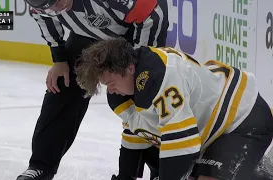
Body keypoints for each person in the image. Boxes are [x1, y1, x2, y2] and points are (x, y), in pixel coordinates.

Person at [74, 37, 273, 180]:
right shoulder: (123, 91)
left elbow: (182, 144)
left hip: (244, 119)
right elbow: (137, 132)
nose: (111, 90)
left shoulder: (160, 78)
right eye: (106, 85)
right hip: (211, 133)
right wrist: (126, 176)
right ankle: (254, 171)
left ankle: (259, 170)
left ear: (129, 68)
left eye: (111, 82)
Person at [17, 0, 169, 179]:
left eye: (57, 2)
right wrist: (59, 59)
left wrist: (141, 64)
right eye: (49, 7)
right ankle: (40, 167)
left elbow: (153, 12)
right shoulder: (41, 4)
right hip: (87, 33)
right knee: (62, 86)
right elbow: (42, 16)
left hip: (131, 33)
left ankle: (161, 168)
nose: (55, 9)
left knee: (142, 96)